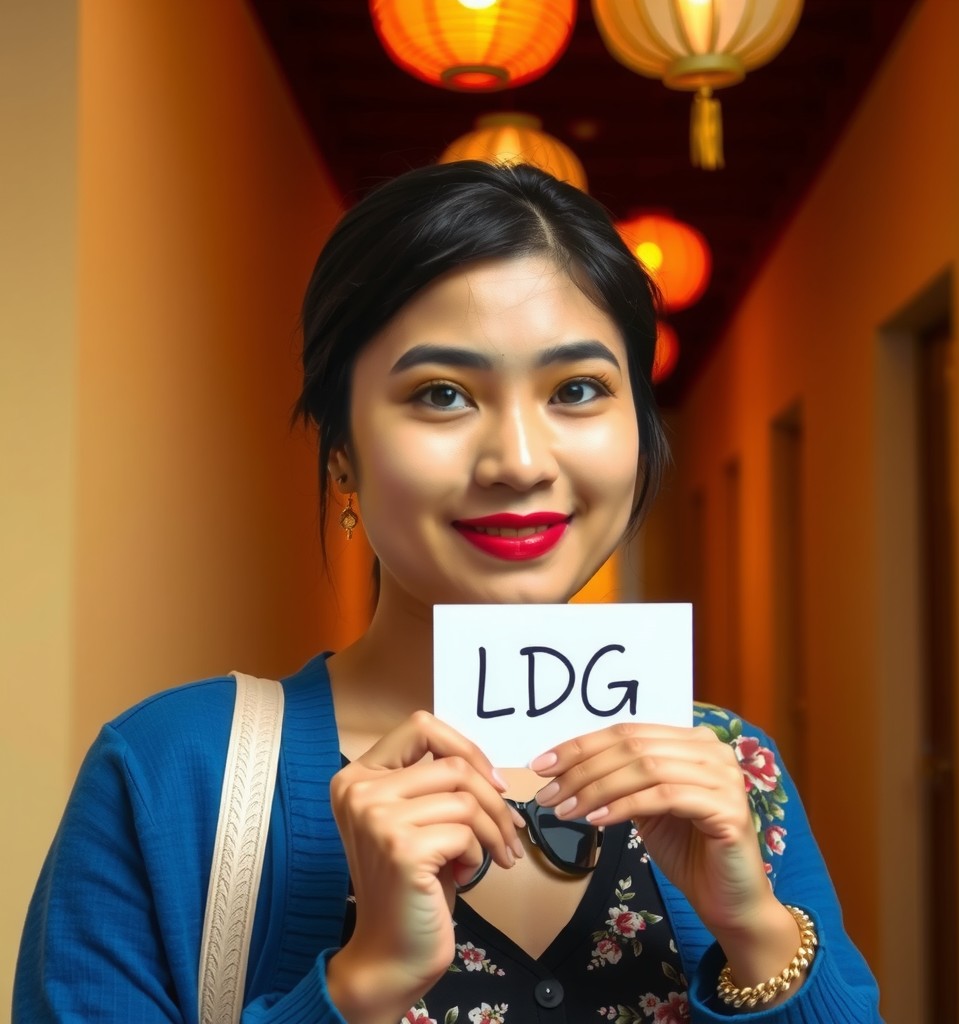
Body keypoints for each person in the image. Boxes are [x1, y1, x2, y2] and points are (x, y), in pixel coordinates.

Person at [14, 160, 881, 1023]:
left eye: (577, 390)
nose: (520, 462)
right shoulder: (172, 777)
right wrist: (362, 985)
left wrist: (757, 934)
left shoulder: (735, 773)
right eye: (442, 395)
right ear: (342, 451)